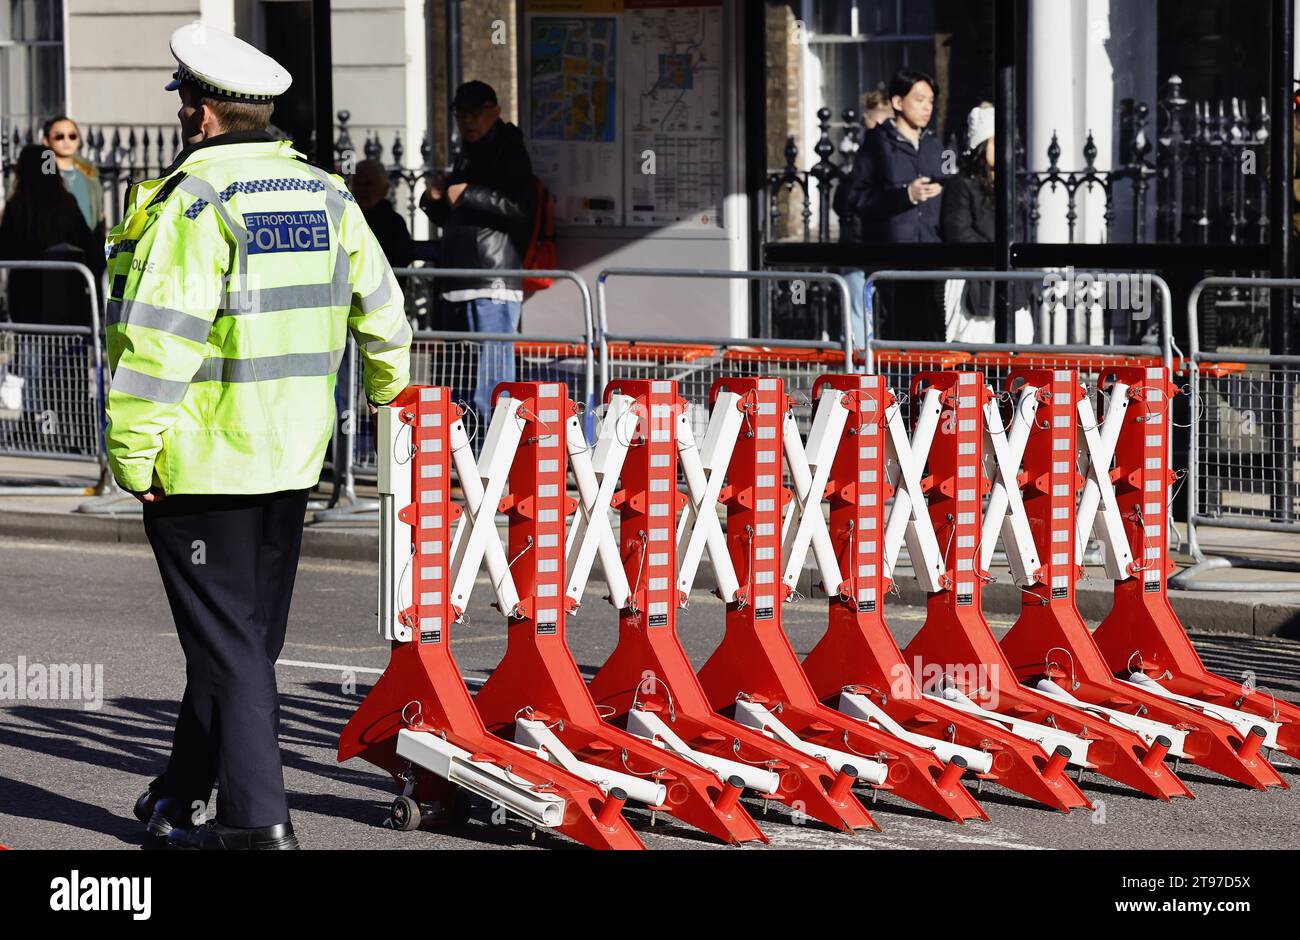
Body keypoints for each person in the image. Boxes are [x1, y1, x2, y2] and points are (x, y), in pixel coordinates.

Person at [113, 22, 411, 851]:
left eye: (184, 104)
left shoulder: (193, 201)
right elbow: (385, 316)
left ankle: (256, 825)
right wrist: (393, 403)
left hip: (202, 464)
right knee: (242, 641)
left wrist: (131, 451)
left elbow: (158, 342)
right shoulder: (325, 193)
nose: (182, 118)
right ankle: (179, 792)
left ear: (202, 115)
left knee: (232, 646)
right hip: (290, 460)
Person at [419, 80, 535, 422]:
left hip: (491, 281)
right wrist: (434, 200)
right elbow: (458, 217)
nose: (466, 121)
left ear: (494, 113)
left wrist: (468, 193)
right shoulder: (468, 154)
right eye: (460, 114)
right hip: (460, 281)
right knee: (460, 384)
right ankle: (466, 460)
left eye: (473, 113)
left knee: (491, 387)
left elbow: (520, 207)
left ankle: (492, 465)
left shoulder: (509, 148)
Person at [844, 69, 948, 340]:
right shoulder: (876, 146)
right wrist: (906, 195)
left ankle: (930, 384)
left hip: (933, 256)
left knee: (935, 332)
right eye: (920, 99)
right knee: (900, 336)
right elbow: (858, 200)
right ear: (898, 103)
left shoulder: (935, 146)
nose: (927, 107)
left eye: (931, 101)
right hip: (894, 259)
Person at [834, 89, 894, 349]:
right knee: (868, 307)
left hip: (859, 243)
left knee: (858, 308)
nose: (863, 126)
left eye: (866, 120)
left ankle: (860, 368)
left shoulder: (869, 151)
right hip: (873, 243)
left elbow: (845, 202)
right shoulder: (882, 151)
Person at [941, 102, 997, 342]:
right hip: (973, 285)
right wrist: (995, 252)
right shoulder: (962, 185)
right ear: (981, 145)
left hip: (1002, 284)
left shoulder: (1008, 187)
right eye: (995, 141)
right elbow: (958, 231)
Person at [41, 116, 105, 244]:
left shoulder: (90, 174)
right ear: (46, 141)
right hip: (53, 248)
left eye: (72, 136)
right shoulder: (41, 176)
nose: (66, 141)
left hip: (88, 247)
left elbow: (99, 214)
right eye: (59, 136)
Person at [350, 158, 414, 268]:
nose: (361, 190)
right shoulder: (347, 218)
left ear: (384, 189)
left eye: (368, 184)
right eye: (357, 184)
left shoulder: (394, 224)